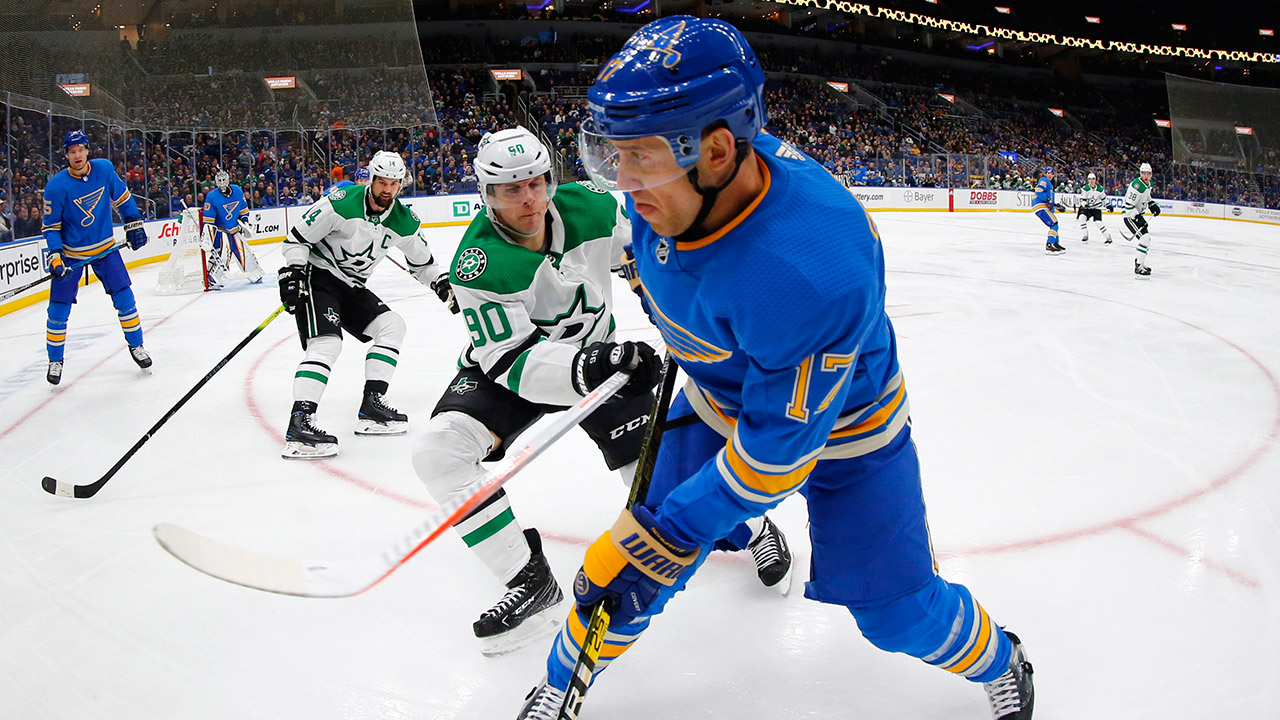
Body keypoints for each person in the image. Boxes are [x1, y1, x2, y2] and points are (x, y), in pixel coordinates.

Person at [516, 17, 1033, 720]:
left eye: (639, 159)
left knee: (896, 614)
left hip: (850, 432)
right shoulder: (672, 192)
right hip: (721, 397)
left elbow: (770, 458)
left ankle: (1004, 659)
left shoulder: (813, 271)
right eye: (615, 155)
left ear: (720, 151)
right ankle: (558, 685)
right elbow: (670, 274)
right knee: (624, 581)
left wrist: (672, 528)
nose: (623, 183)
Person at [410, 127, 793, 658]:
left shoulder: (590, 207)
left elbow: (641, 249)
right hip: (520, 368)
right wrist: (592, 363)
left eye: (537, 183)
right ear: (487, 194)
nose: (530, 199)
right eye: (512, 190)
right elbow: (512, 362)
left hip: (605, 364)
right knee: (439, 451)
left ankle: (755, 530)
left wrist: (656, 298)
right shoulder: (478, 265)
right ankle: (530, 581)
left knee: (655, 486)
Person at [278, 150, 457, 459]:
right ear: (371, 179)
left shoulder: (404, 221)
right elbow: (297, 240)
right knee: (326, 344)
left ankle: (372, 404)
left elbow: (423, 264)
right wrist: (293, 271)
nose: (387, 190)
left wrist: (441, 283)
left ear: (401, 185)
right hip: (318, 277)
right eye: (382, 182)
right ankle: (300, 421)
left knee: (392, 326)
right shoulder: (341, 202)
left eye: (394, 184)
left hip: (352, 286)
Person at [41, 129, 151, 386]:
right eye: (72, 152)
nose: (77, 155)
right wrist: (55, 256)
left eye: (81, 150)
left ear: (87, 150)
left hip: (105, 249)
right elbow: (51, 227)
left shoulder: (103, 170)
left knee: (125, 298)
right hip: (71, 254)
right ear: (67, 156)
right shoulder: (56, 187)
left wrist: (133, 223)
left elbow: (123, 199)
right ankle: (55, 361)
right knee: (58, 310)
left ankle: (137, 347)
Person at [202, 169, 263, 288]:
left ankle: (253, 272)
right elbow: (208, 220)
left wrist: (245, 222)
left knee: (243, 251)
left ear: (228, 179)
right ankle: (212, 277)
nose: (222, 182)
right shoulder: (212, 196)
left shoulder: (237, 190)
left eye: (223, 179)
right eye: (219, 180)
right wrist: (208, 235)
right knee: (223, 254)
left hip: (235, 229)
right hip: (220, 231)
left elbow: (243, 209)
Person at [1121, 162, 1160, 277]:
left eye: (1148, 173)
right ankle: (1138, 265)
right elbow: (1128, 205)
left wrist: (1152, 204)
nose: (1146, 176)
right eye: (1144, 173)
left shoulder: (1148, 183)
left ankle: (1140, 263)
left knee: (1146, 239)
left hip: (1137, 215)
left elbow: (1147, 196)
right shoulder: (1136, 186)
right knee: (1145, 238)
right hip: (1130, 216)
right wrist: (1137, 217)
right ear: (1141, 173)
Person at [1033, 166, 1066, 255]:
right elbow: (1038, 190)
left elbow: (1049, 201)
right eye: (1048, 173)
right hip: (1040, 206)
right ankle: (1050, 244)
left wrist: (1056, 206)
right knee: (1054, 224)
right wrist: (1048, 200)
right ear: (1045, 174)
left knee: (1054, 224)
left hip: (1042, 206)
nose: (1049, 175)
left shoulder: (1050, 185)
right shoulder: (1044, 180)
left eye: (1051, 173)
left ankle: (1055, 242)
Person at [1076, 172, 1114, 244]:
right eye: (1090, 179)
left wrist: (1108, 205)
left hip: (1096, 208)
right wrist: (1085, 204)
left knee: (1098, 223)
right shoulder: (1085, 189)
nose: (1091, 180)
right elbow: (1082, 200)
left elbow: (1104, 199)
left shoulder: (1100, 189)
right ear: (1088, 180)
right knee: (1082, 218)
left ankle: (1108, 237)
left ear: (1095, 180)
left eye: (1093, 179)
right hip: (1088, 209)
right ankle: (1085, 235)